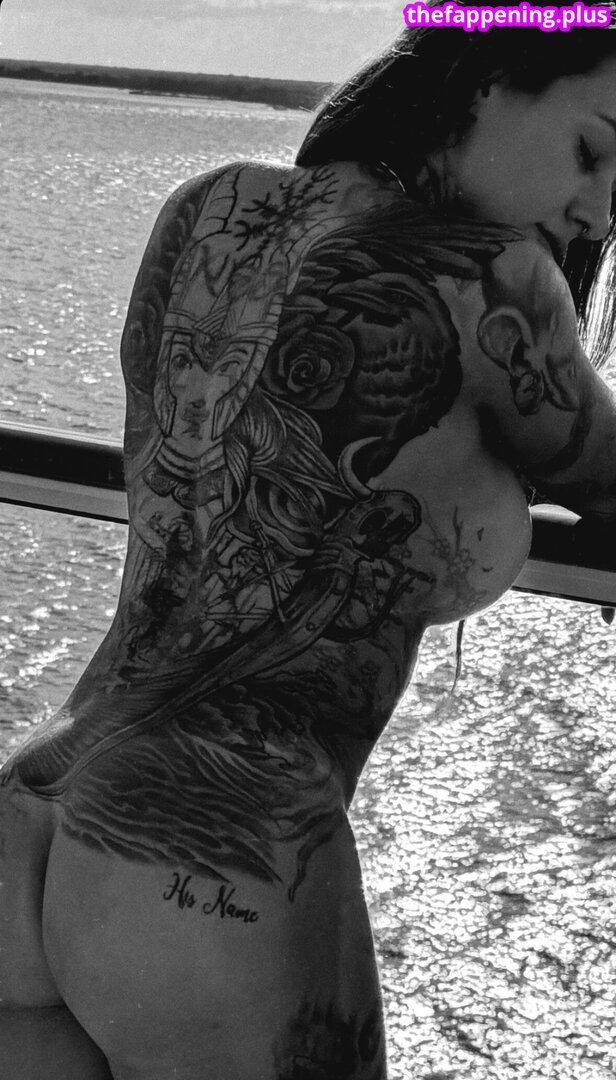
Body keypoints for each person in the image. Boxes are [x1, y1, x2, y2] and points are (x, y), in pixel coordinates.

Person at [2, 4, 616, 1077]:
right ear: (487, 79)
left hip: (35, 803)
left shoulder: (212, 208)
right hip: (210, 849)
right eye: (592, 150)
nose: (599, 207)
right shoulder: (496, 281)